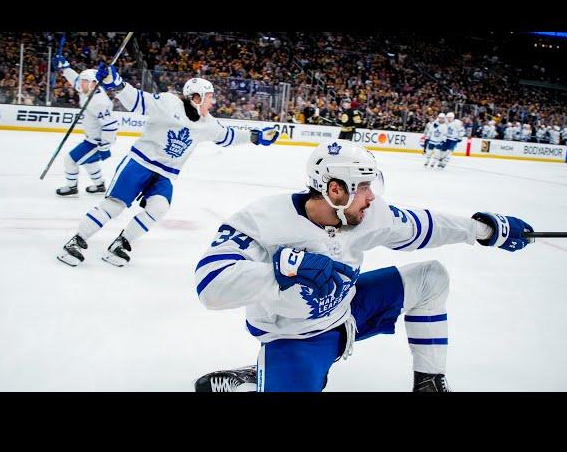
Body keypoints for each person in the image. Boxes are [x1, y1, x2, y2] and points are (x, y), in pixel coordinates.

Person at [193, 140, 534, 392]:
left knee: (431, 277)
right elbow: (211, 286)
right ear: (335, 190)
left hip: (350, 310)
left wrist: (486, 230)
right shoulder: (262, 220)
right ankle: (257, 375)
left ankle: (428, 382)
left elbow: (423, 225)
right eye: (365, 187)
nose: (372, 197)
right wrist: (282, 271)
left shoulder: (368, 214)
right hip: (296, 337)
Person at [57, 64, 279, 267]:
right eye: (209, 97)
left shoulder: (207, 123)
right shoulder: (167, 103)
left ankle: (121, 243)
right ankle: (75, 241)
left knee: (159, 208)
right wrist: (116, 83)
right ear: (196, 97)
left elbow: (227, 136)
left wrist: (254, 137)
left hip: (164, 175)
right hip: (139, 164)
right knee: (114, 206)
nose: (213, 102)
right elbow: (137, 99)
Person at [52, 54, 118, 197]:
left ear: (94, 83)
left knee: (70, 160)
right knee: (89, 162)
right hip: (91, 138)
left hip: (97, 141)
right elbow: (74, 78)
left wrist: (104, 146)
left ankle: (72, 187)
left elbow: (111, 125)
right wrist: (65, 67)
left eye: (84, 81)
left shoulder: (100, 102)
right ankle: (100, 185)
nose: (80, 84)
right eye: (82, 81)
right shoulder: (86, 88)